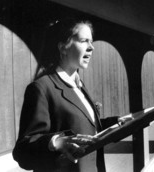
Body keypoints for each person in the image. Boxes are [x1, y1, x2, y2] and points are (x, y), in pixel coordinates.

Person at [13, 18, 132, 172]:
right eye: (84, 41)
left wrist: (116, 123)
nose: (92, 47)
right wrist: (56, 142)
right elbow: (22, 151)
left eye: (92, 41)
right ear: (63, 48)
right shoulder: (41, 88)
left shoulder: (79, 85)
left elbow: (82, 128)